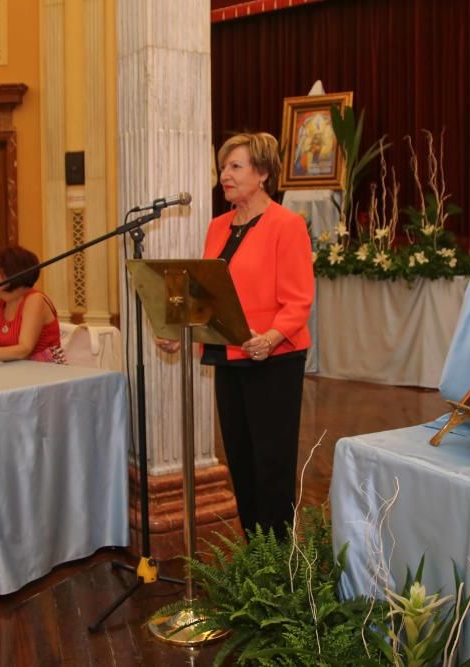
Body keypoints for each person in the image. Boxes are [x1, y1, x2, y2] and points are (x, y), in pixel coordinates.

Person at [157, 132, 314, 539]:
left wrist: (272, 337)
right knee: (241, 463)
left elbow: (299, 300)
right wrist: (180, 333)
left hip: (274, 360)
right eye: (223, 167)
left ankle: (280, 568)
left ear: (262, 173)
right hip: (227, 356)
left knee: (271, 466)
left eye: (235, 167)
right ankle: (254, 561)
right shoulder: (218, 226)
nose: (224, 175)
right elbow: (208, 293)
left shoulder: (288, 224)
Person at [0, 246, 66, 364]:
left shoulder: (34, 299)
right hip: (15, 371)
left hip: (47, 371)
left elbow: (24, 350)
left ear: (11, 274)